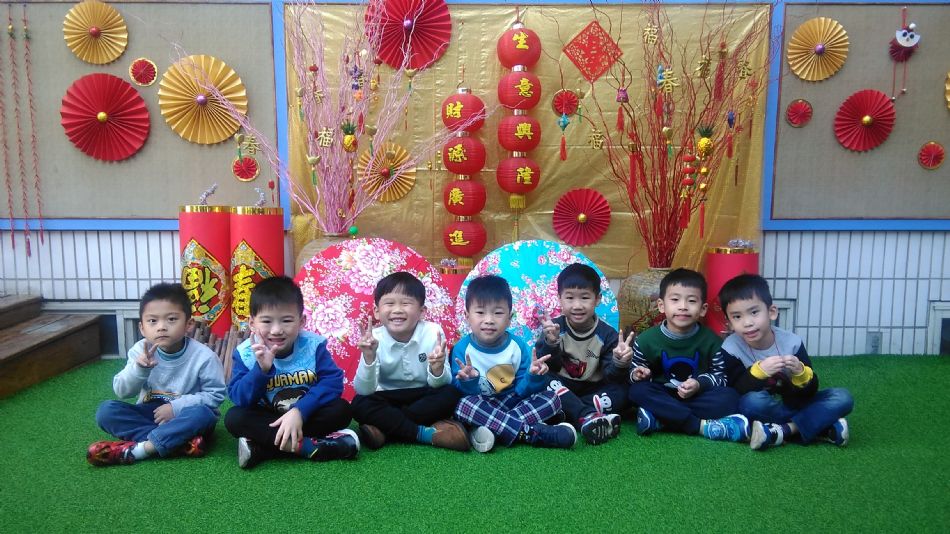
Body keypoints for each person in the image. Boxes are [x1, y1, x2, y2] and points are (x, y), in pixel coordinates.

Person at [225, 276, 358, 469]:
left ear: (301, 321)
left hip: (305, 414)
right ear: (252, 323)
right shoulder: (246, 353)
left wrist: (299, 411)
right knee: (235, 418)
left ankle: (262, 448)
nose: (276, 330)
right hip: (268, 418)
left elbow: (332, 382)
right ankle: (308, 447)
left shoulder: (313, 346)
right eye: (266, 321)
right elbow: (239, 398)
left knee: (341, 410)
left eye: (286, 320)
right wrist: (261, 370)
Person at [88, 283, 225, 466]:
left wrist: (175, 408)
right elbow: (122, 391)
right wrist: (140, 369)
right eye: (152, 321)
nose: (161, 327)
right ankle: (177, 443)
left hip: (184, 416)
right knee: (106, 412)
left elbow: (215, 395)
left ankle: (142, 449)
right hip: (149, 413)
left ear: (188, 324)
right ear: (142, 328)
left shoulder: (204, 356)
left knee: (203, 415)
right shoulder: (140, 351)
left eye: (171, 319)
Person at [718, 274, 854, 450]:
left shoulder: (791, 342)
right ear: (729, 323)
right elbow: (735, 390)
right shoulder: (731, 348)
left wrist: (801, 374)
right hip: (765, 407)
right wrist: (758, 373)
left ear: (771, 312)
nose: (747, 322)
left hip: (796, 403)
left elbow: (810, 392)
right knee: (751, 402)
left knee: (843, 397)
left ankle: (783, 431)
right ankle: (821, 426)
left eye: (754, 312)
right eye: (737, 317)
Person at [451, 275, 577, 452]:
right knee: (463, 405)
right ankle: (530, 433)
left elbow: (522, 392)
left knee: (552, 399)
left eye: (498, 313)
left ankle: (490, 430)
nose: (489, 320)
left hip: (512, 402)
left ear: (509, 318)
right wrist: (468, 381)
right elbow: (458, 390)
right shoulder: (461, 349)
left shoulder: (518, 346)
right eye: (480, 312)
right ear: (467, 316)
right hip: (480, 403)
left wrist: (534, 377)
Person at [626, 268, 749, 442]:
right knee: (637, 391)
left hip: (696, 397)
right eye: (675, 300)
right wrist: (638, 374)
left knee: (730, 398)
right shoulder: (645, 340)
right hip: (663, 395)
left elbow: (721, 377)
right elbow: (632, 375)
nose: (683, 306)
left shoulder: (713, 341)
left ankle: (662, 419)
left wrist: (699, 384)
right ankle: (699, 426)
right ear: (661, 305)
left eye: (691, 301)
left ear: (703, 308)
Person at [350, 272, 468, 451]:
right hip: (387, 397)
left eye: (406, 303)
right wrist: (368, 357)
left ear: (422, 311)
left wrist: (437, 370)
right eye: (389, 303)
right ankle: (423, 433)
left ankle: (385, 429)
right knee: (360, 403)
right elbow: (364, 390)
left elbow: (441, 384)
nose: (397, 309)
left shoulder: (433, 332)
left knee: (451, 393)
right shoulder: (373, 338)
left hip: (422, 395)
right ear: (376, 311)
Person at [536, 263, 630, 445]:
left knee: (624, 390)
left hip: (593, 389)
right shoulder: (554, 328)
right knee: (542, 378)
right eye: (570, 298)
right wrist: (551, 343)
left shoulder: (607, 334)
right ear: (559, 299)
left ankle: (568, 411)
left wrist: (619, 362)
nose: (577, 305)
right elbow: (548, 365)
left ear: (597, 299)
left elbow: (611, 376)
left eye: (585, 298)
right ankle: (586, 415)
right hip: (561, 385)